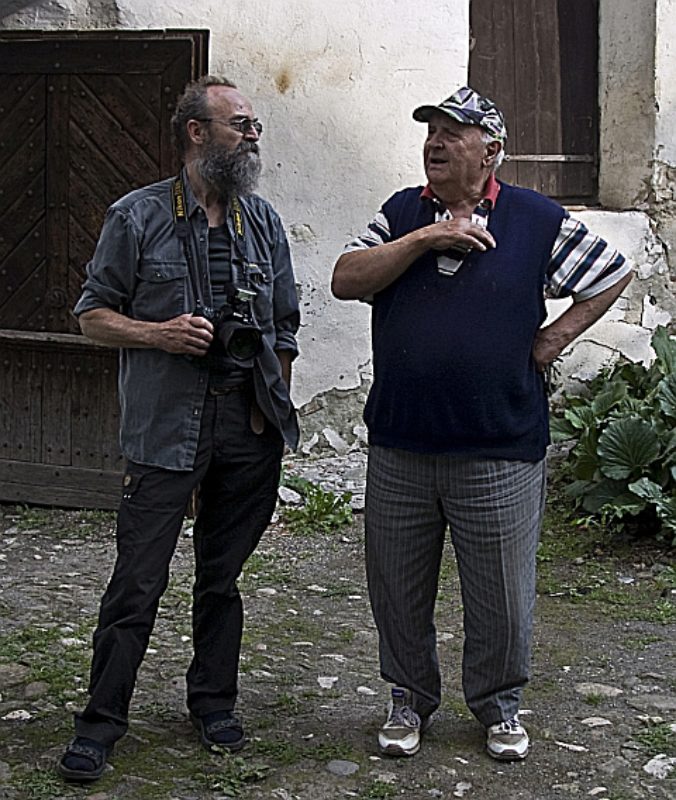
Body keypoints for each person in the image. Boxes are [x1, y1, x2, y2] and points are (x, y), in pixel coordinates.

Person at [331, 86, 633, 761]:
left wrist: (554, 340)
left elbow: (611, 273)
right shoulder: (401, 212)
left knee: (501, 593)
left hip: (500, 446)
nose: (435, 143)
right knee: (397, 588)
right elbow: (346, 279)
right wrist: (427, 235)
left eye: (453, 133)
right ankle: (408, 699)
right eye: (431, 131)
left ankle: (498, 707)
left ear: (490, 151)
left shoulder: (534, 219)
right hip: (402, 443)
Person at [58, 75, 300, 782]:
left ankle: (213, 702)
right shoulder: (136, 217)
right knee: (136, 583)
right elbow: (91, 315)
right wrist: (158, 334)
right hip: (166, 429)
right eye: (240, 125)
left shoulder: (264, 222)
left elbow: (284, 325)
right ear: (197, 133)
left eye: (256, 126)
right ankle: (100, 724)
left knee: (221, 581)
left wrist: (268, 404)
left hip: (245, 430)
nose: (253, 137)